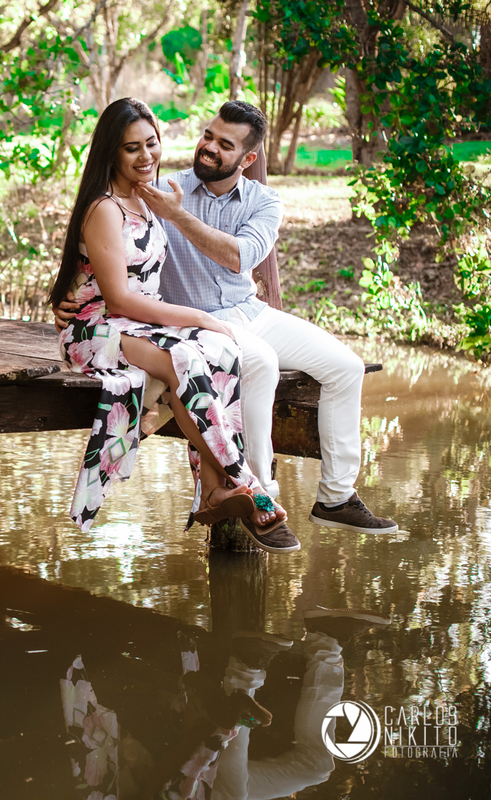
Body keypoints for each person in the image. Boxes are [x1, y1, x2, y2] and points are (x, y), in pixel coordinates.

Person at [56, 100, 398, 535]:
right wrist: (68, 298)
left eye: (225, 145)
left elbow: (240, 257)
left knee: (347, 367)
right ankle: (258, 493)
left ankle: (336, 497)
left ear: (248, 159)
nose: (210, 148)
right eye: (208, 136)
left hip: (245, 311)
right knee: (255, 362)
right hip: (183, 320)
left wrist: (176, 215)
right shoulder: (157, 186)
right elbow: (99, 254)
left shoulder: (257, 201)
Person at [52, 97, 297, 553]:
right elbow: (119, 298)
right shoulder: (104, 207)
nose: (146, 156)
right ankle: (246, 483)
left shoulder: (149, 199)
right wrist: (201, 318)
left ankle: (212, 489)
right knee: (185, 356)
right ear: (111, 152)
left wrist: (206, 325)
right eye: (132, 148)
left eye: (152, 143)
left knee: (222, 349)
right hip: (96, 329)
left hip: (136, 324)